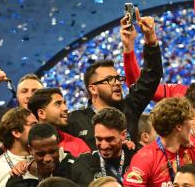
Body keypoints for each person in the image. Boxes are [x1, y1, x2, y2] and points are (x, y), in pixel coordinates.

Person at [68, 15, 163, 149]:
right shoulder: (75, 120)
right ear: (93, 89)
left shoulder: (129, 109)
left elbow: (152, 76)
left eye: (118, 78)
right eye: (109, 80)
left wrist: (151, 39)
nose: (117, 83)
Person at [122, 97, 195, 187]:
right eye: (189, 120)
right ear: (179, 126)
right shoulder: (145, 157)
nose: (192, 124)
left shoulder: (191, 152)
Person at [70, 108, 136, 187]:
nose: (104, 146)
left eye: (109, 139)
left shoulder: (137, 158)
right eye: (99, 139)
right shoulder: (84, 163)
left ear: (123, 135)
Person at [28, 87, 91, 157]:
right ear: (41, 114)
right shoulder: (25, 145)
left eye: (64, 103)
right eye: (58, 104)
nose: (65, 108)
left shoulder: (78, 145)